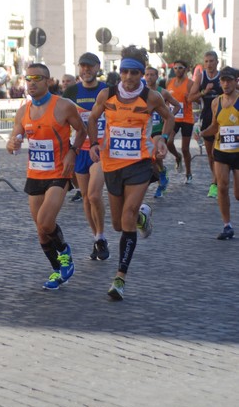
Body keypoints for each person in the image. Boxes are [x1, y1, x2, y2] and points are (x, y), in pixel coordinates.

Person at [88, 45, 175, 301]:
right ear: (120, 71)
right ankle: (142, 216)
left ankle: (120, 278)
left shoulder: (151, 97)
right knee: (118, 224)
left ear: (141, 74)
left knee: (127, 216)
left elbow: (169, 117)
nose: (128, 77)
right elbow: (92, 119)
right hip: (112, 164)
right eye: (125, 71)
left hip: (139, 164)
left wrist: (163, 140)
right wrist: (94, 143)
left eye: (134, 73)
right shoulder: (107, 94)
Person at [6, 62, 86, 290]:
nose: (31, 83)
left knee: (45, 221)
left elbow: (81, 130)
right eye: (28, 79)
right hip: (35, 173)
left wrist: (73, 151)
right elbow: (14, 141)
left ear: (48, 81)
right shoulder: (24, 111)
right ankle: (57, 271)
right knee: (41, 231)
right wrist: (12, 143)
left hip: (59, 172)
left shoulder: (64, 106)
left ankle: (65, 254)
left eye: (37, 78)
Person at [62, 52, 110, 260]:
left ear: (98, 67)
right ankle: (97, 238)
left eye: (90, 66)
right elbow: (61, 119)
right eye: (83, 66)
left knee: (94, 195)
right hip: (80, 149)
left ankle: (101, 236)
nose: (86, 70)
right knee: (85, 199)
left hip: (100, 150)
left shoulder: (107, 90)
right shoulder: (71, 91)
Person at [199, 67, 239, 239]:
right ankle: (227, 225)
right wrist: (201, 133)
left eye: (229, 80)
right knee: (222, 187)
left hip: (238, 152)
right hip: (221, 150)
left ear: (236, 81)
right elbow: (215, 126)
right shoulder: (216, 102)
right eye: (222, 80)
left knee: (238, 194)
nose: (225, 83)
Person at [188, 51, 223, 198]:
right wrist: (204, 91)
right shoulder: (201, 77)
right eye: (206, 61)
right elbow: (190, 97)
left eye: (211, 61)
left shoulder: (223, 77)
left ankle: (216, 182)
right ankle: (215, 179)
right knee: (210, 154)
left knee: (218, 152)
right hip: (207, 118)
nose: (209, 64)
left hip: (223, 119)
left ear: (217, 62)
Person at [144, 66, 180, 198]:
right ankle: (162, 175)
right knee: (151, 159)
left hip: (159, 128)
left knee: (154, 154)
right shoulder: (141, 92)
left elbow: (177, 105)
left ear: (157, 76)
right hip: (146, 130)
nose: (149, 77)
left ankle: (161, 179)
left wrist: (169, 116)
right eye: (147, 75)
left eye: (152, 75)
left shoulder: (162, 92)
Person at [166, 60, 195, 184]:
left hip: (187, 119)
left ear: (186, 69)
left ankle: (188, 173)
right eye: (175, 67)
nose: (177, 70)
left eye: (180, 68)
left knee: (185, 148)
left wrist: (191, 97)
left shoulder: (190, 83)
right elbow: (166, 99)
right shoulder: (169, 82)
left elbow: (197, 99)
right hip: (174, 117)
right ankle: (177, 157)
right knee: (168, 142)